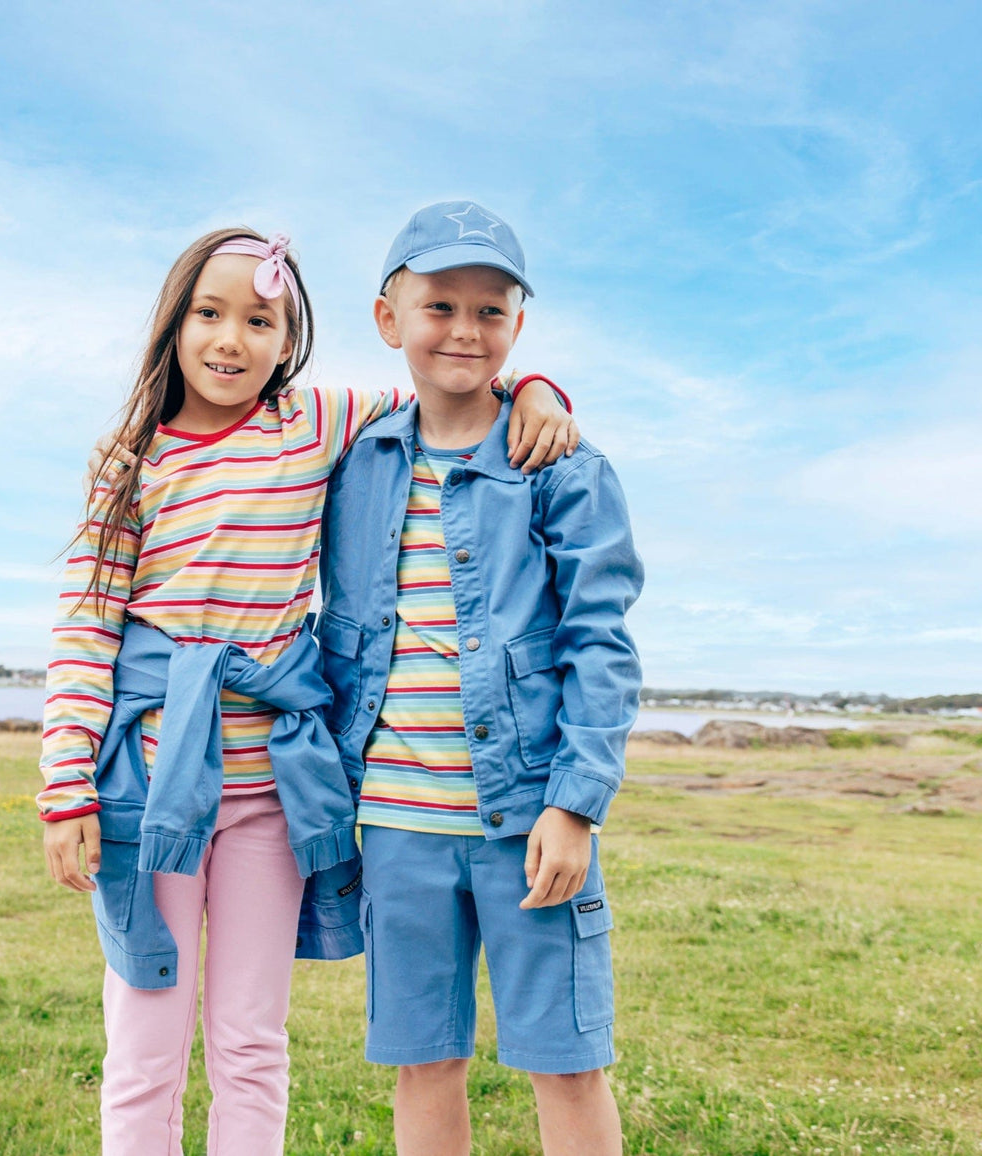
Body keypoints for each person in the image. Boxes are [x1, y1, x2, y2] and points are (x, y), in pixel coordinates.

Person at [36, 226, 578, 1156]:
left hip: (270, 799)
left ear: (289, 340)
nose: (230, 339)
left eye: (259, 319)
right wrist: (64, 786)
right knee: (144, 1047)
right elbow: (86, 629)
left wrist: (534, 386)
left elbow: (445, 383)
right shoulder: (130, 462)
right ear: (173, 325)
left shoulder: (316, 421)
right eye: (209, 313)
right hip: (148, 790)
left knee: (251, 1042)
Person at [316, 202, 644, 1156]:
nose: (464, 330)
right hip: (395, 824)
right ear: (389, 319)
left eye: (490, 312)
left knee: (566, 1063)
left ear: (517, 327)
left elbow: (600, 644)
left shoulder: (562, 466)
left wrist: (576, 806)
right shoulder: (352, 459)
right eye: (440, 306)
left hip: (528, 823)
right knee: (424, 1063)